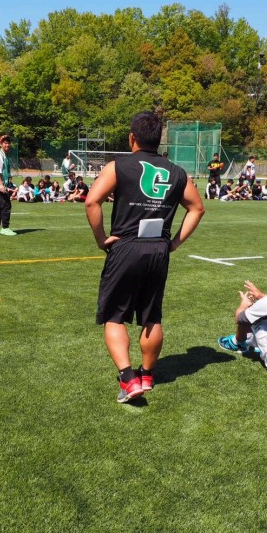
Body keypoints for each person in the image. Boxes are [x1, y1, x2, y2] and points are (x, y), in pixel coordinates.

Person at [85, 111, 205, 403]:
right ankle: (147, 375)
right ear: (158, 139)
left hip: (126, 245)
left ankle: (128, 379)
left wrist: (101, 239)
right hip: (158, 249)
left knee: (114, 316)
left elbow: (92, 201)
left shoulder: (118, 166)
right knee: (152, 315)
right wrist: (174, 242)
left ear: (132, 138)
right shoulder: (177, 172)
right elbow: (197, 208)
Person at [0, 135, 17, 235]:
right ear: (0, 144)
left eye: (8, 143)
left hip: (0, 184)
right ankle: (5, 228)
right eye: (5, 143)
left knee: (0, 206)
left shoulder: (4, 155)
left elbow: (6, 172)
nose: (7, 145)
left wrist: (10, 185)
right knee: (6, 205)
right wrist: (1, 185)